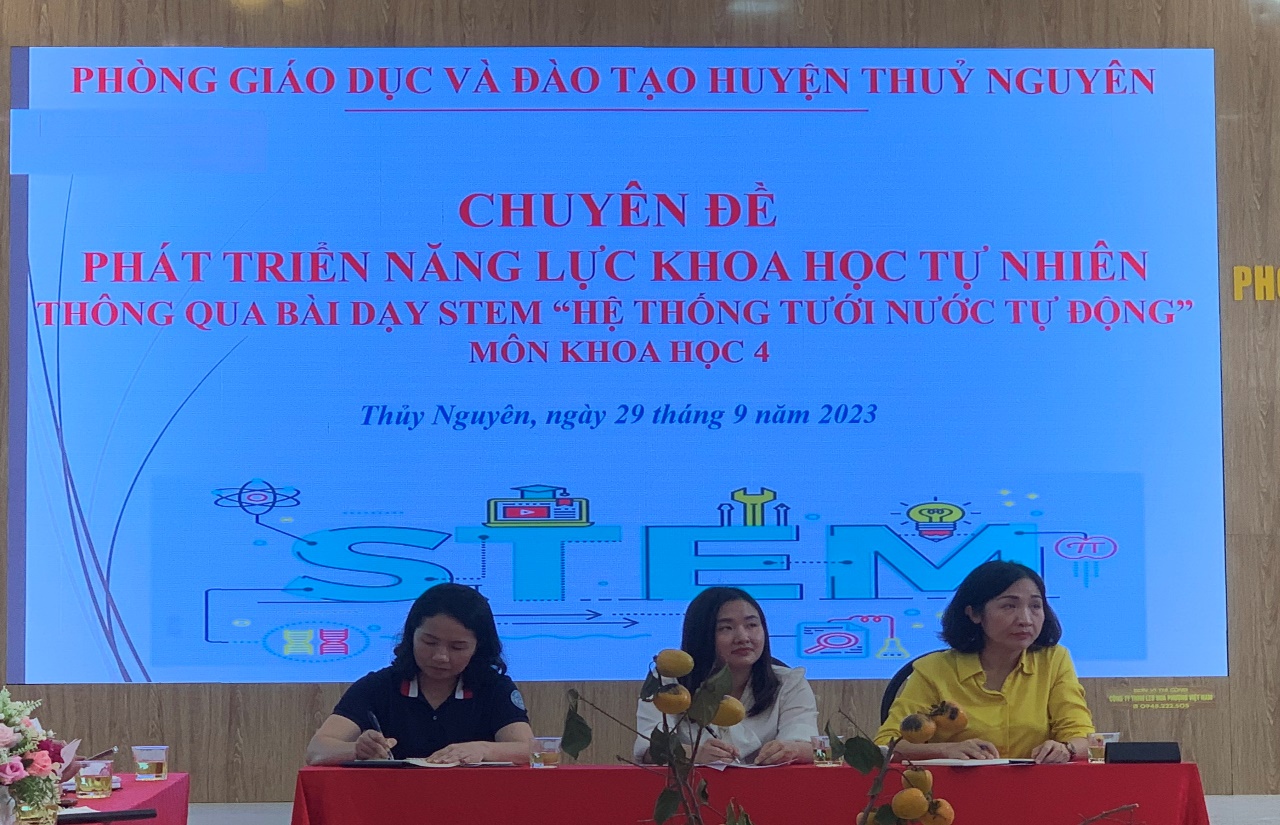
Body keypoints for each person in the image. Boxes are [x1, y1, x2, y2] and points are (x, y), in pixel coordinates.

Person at [876, 560, 1093, 763]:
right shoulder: (933, 669)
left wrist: (1067, 748)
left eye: (1035, 606)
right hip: (954, 787)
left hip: (1035, 785)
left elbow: (1083, 737)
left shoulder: (1054, 660)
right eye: (1009, 606)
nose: (1026, 620)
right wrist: (945, 750)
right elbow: (886, 744)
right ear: (974, 614)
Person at [306, 583, 534, 765]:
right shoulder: (378, 686)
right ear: (411, 636)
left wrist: (482, 749)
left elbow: (529, 749)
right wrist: (357, 749)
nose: (441, 656)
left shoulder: (494, 688)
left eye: (457, 647)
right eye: (429, 642)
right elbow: (317, 750)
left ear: (478, 647)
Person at [635, 587, 819, 765]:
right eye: (726, 628)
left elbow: (819, 751)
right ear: (701, 635)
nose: (743, 637)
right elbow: (648, 749)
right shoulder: (669, 682)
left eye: (752, 625)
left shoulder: (789, 683)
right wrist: (696, 754)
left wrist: (795, 750)